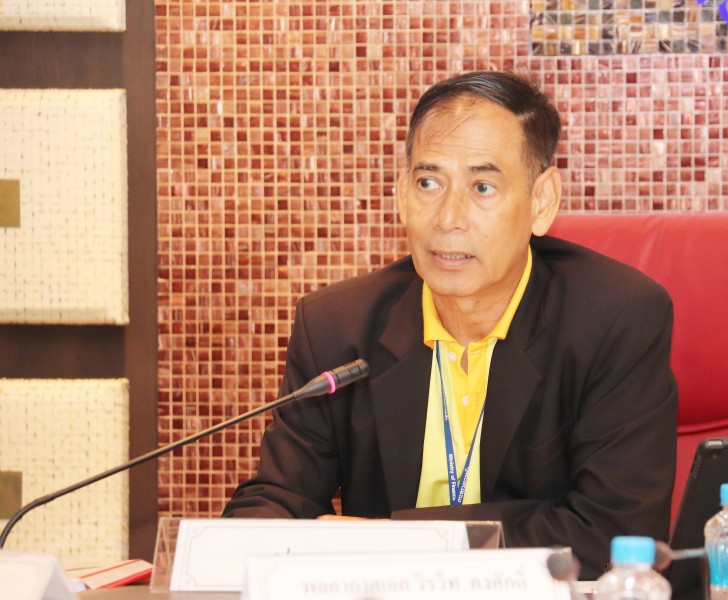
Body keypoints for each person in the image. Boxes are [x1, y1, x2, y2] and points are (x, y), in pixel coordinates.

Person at [223, 70, 678, 579]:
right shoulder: (337, 326)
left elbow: (615, 536)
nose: (448, 218)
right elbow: (276, 500)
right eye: (428, 183)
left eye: (482, 187)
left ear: (542, 201)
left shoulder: (614, 320)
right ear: (401, 194)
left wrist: (393, 543)